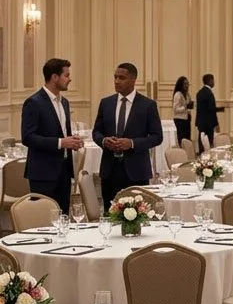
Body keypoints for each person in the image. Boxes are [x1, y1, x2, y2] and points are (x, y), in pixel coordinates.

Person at [92, 62, 163, 213]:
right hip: (110, 170)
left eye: (122, 78)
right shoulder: (106, 103)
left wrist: (131, 143)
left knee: (138, 215)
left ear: (133, 80)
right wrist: (104, 141)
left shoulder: (147, 105)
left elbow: (157, 137)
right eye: (115, 77)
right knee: (110, 214)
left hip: (136, 171)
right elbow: (96, 132)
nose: (117, 81)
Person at [21, 58, 84, 214]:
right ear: (54, 77)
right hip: (43, 172)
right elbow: (28, 137)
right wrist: (61, 143)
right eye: (66, 75)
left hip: (64, 170)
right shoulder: (34, 102)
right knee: (43, 219)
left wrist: (73, 142)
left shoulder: (65, 102)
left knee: (63, 217)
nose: (70, 79)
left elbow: (62, 133)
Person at [195, 73, 218, 154]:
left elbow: (199, 109)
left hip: (201, 122)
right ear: (210, 81)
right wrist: (216, 123)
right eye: (213, 80)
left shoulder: (199, 92)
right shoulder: (209, 93)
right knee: (209, 144)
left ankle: (202, 158)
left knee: (201, 143)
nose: (214, 82)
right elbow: (211, 110)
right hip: (209, 123)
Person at [172, 76, 193, 146]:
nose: (187, 86)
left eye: (187, 84)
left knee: (187, 139)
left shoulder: (187, 94)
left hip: (186, 119)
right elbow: (175, 109)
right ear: (181, 84)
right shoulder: (178, 94)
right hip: (179, 120)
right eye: (185, 84)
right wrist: (186, 107)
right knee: (181, 139)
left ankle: (187, 151)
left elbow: (188, 105)